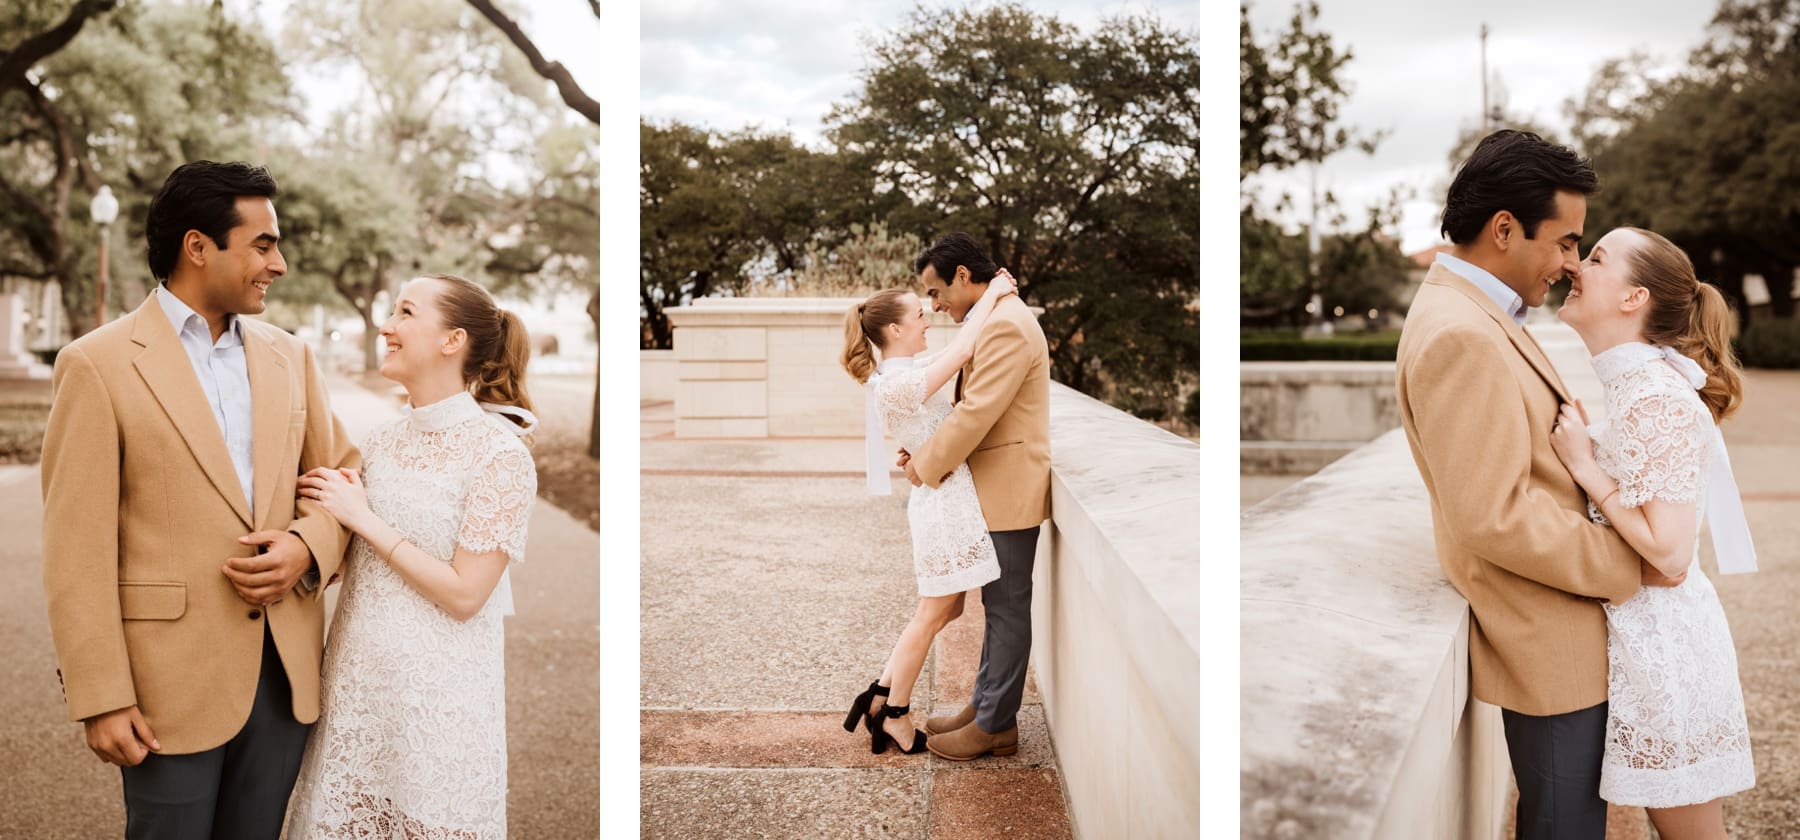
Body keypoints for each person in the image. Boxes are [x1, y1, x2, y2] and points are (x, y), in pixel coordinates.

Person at [40, 160, 358, 839]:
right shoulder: (96, 365)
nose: (279, 264)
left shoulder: (291, 357)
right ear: (197, 246)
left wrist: (308, 544)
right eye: (263, 244)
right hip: (164, 688)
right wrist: (101, 694)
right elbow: (76, 548)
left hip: (283, 679)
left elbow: (345, 480)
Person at [1395, 130, 1684, 838]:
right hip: (1546, 645)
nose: (1570, 263)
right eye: (1564, 242)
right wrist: (1626, 563)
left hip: (1557, 633)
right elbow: (1492, 515)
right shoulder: (1461, 332)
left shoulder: (1478, 314)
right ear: (1503, 229)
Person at [285, 273, 538, 838]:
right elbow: (349, 564)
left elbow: (466, 594)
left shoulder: (500, 455)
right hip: (355, 693)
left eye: (404, 312)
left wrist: (363, 519)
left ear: (452, 340)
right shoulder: (379, 442)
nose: (386, 325)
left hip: (438, 705)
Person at [1549, 226, 1755, 838]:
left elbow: (1669, 553)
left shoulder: (1653, 394)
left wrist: (1586, 466)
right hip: (1647, 642)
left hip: (1665, 651)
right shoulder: (1638, 385)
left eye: (1595, 257)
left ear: (1633, 298)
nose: (1575, 266)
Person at [839, 270, 1017, 754]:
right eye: (919, 315)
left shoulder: (901, 375)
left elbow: (949, 360)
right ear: (894, 330)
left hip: (946, 499)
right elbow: (962, 351)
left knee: (946, 607)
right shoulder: (896, 384)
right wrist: (995, 293)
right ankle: (895, 713)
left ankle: (878, 695)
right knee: (933, 612)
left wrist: (916, 449)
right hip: (943, 507)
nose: (927, 321)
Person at [901, 233, 1052, 762]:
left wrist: (925, 465)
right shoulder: (996, 316)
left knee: (1008, 608)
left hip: (1010, 487)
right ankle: (987, 705)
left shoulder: (1008, 326)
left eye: (938, 292)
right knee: (998, 608)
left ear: (964, 276)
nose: (935, 305)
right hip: (995, 483)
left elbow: (977, 411)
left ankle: (995, 726)